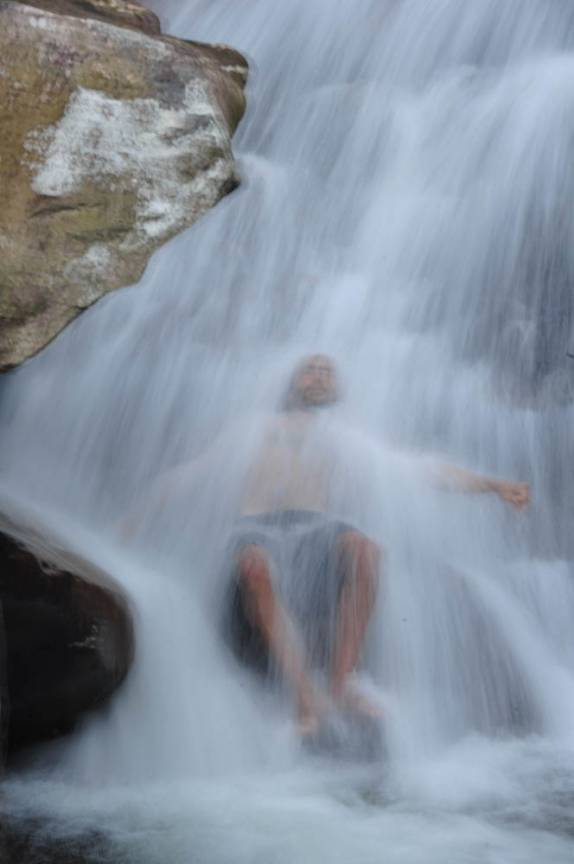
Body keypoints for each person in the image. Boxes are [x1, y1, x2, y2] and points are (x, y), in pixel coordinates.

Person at [123, 354, 530, 736]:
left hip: (317, 525)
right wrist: (137, 515)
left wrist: (492, 485)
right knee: (253, 568)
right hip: (256, 524)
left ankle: (342, 681)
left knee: (366, 550)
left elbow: (415, 470)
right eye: (310, 369)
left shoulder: (341, 438)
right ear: (292, 381)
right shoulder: (253, 427)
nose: (318, 375)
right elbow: (196, 473)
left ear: (335, 388)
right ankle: (304, 694)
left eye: (327, 371)